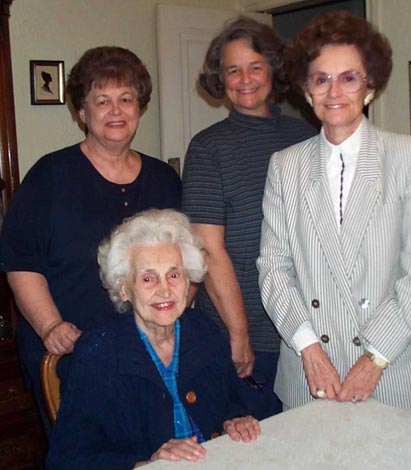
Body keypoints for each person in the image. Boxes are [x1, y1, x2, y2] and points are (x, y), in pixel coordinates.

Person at [257, 10, 411, 413]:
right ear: (306, 90)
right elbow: (273, 267)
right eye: (321, 79)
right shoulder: (284, 165)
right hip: (311, 373)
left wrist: (374, 356)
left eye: (349, 77)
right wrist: (307, 346)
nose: (333, 91)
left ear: (370, 85)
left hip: (392, 368)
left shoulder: (410, 157)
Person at [0, 46, 181, 433]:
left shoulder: (165, 180)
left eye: (126, 99)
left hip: (153, 355)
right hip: (73, 353)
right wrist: (51, 326)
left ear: (139, 108)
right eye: (102, 101)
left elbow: (185, 264)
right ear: (82, 113)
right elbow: (21, 263)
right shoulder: (49, 177)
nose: (116, 111)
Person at [46, 209, 260, 469]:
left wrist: (235, 419)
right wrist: (146, 463)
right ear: (124, 288)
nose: (165, 290)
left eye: (173, 275)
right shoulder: (98, 355)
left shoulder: (204, 332)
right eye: (148, 278)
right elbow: (67, 459)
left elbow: (231, 401)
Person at [182, 16, 316, 420]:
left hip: (306, 328)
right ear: (219, 79)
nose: (244, 79)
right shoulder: (208, 148)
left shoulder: (306, 137)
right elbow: (210, 250)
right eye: (232, 70)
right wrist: (239, 336)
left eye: (255, 66)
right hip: (245, 331)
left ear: (274, 69)